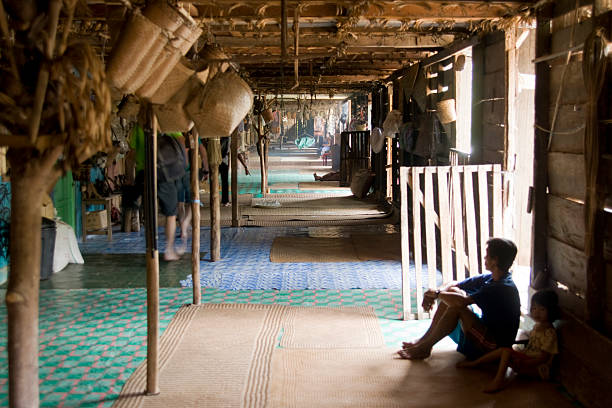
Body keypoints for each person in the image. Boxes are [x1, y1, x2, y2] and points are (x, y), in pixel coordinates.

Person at [398, 238, 521, 363]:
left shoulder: (501, 287)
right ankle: (424, 341)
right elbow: (455, 284)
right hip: (486, 332)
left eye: (487, 255)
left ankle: (425, 347)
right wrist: (435, 293)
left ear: (495, 260)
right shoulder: (491, 278)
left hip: (495, 347)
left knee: (457, 307)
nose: (484, 258)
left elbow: (461, 303)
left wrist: (437, 294)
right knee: (453, 293)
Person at [456, 290, 559, 393]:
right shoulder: (537, 326)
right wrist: (520, 355)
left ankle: (498, 382)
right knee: (504, 350)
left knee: (506, 351)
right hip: (528, 360)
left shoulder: (550, 333)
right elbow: (530, 347)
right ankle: (474, 363)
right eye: (535, 308)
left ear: (551, 310)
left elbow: (543, 358)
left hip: (538, 369)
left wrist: (524, 362)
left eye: (542, 309)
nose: (537, 312)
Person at [157, 132, 188, 261]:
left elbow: (131, 156)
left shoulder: (139, 130)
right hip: (165, 175)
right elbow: (183, 155)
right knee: (170, 214)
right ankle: (169, 250)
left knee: (150, 213)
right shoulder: (173, 129)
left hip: (145, 173)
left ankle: (151, 249)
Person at [219, 136, 250, 206]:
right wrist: (245, 166)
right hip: (223, 161)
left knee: (222, 181)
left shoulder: (220, 137)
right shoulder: (228, 138)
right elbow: (237, 152)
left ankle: (223, 201)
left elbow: (236, 152)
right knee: (224, 182)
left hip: (218, 160)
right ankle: (225, 201)